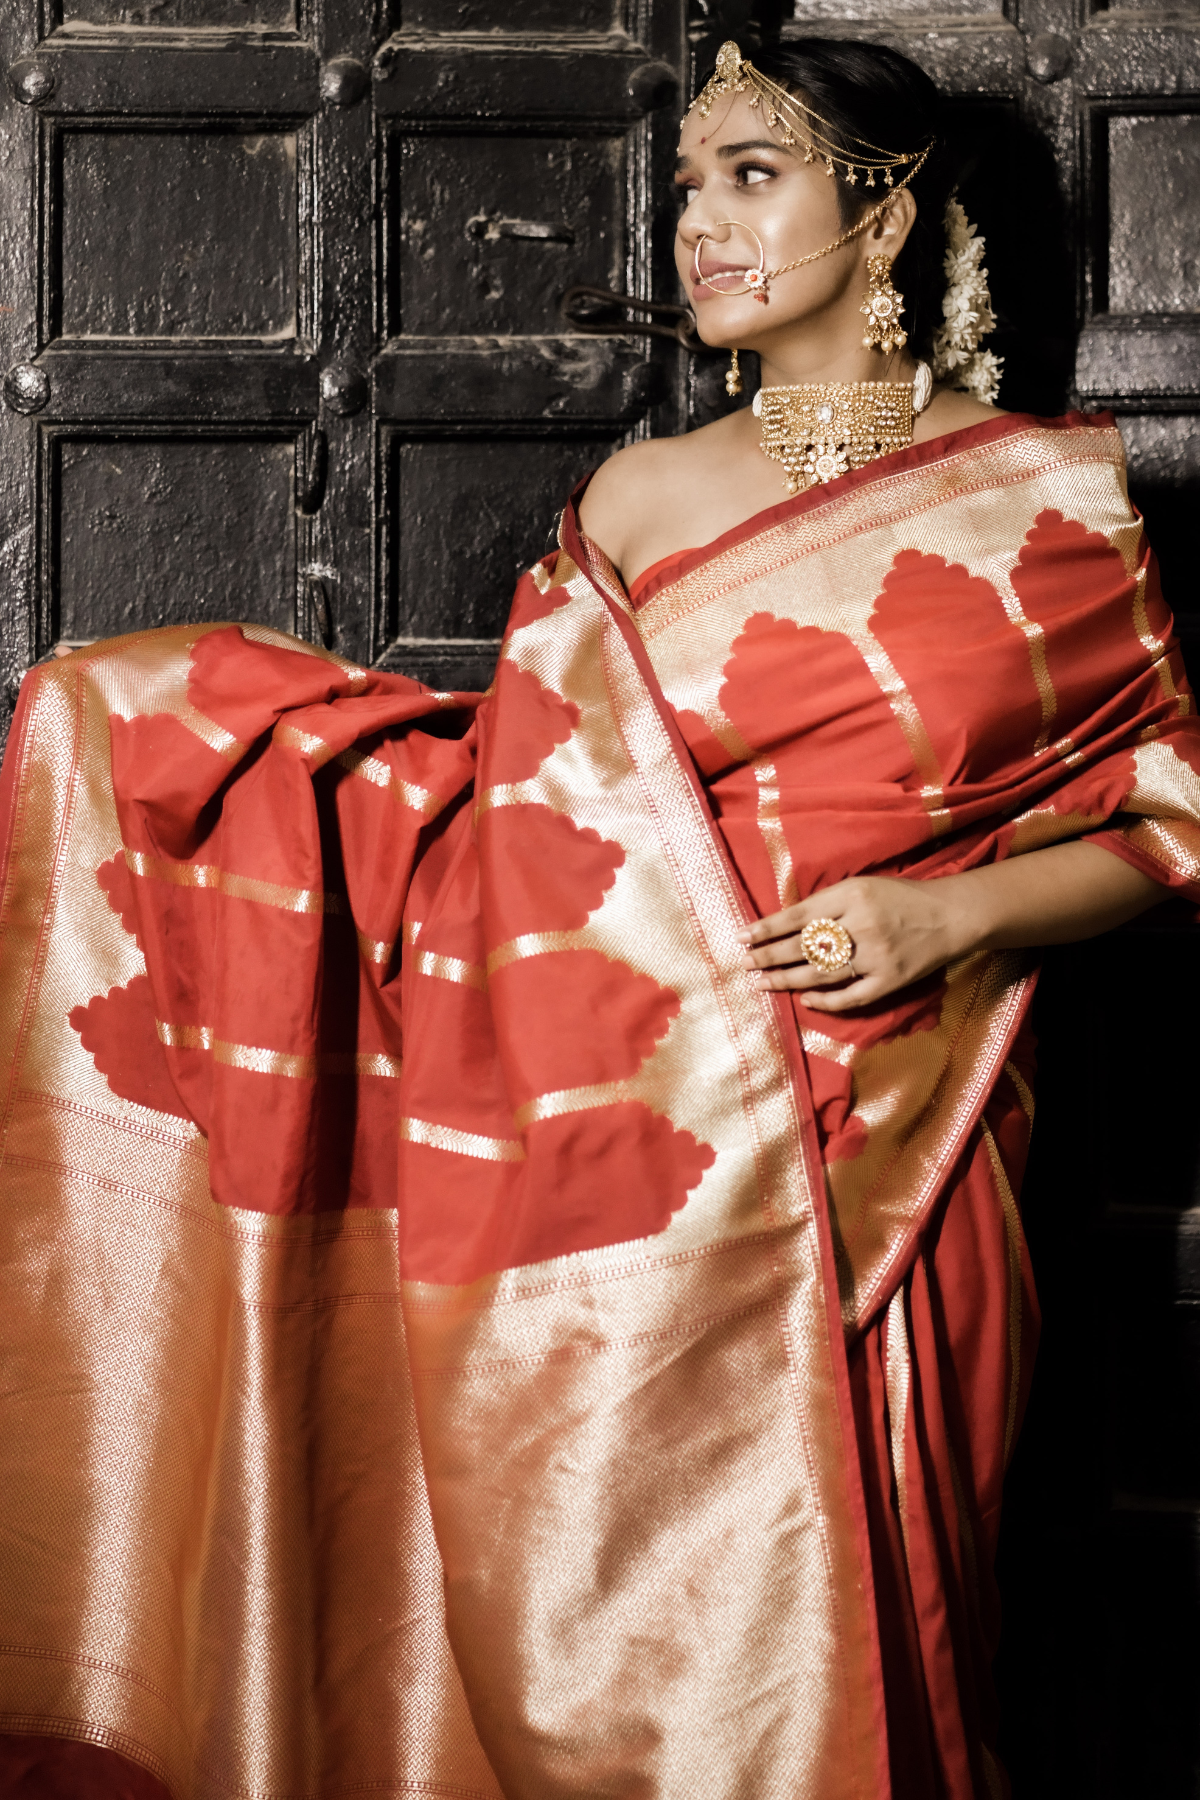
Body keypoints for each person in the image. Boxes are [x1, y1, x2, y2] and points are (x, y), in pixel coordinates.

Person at [0, 35, 1196, 1800]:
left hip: (911, 1142)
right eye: (691, 182)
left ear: (888, 224)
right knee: (647, 1635)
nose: (695, 223)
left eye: (752, 178)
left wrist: (960, 922)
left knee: (896, 1605)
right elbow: (522, 838)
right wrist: (188, 743)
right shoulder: (640, 505)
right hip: (639, 1161)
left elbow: (1176, 806)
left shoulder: (1046, 508)